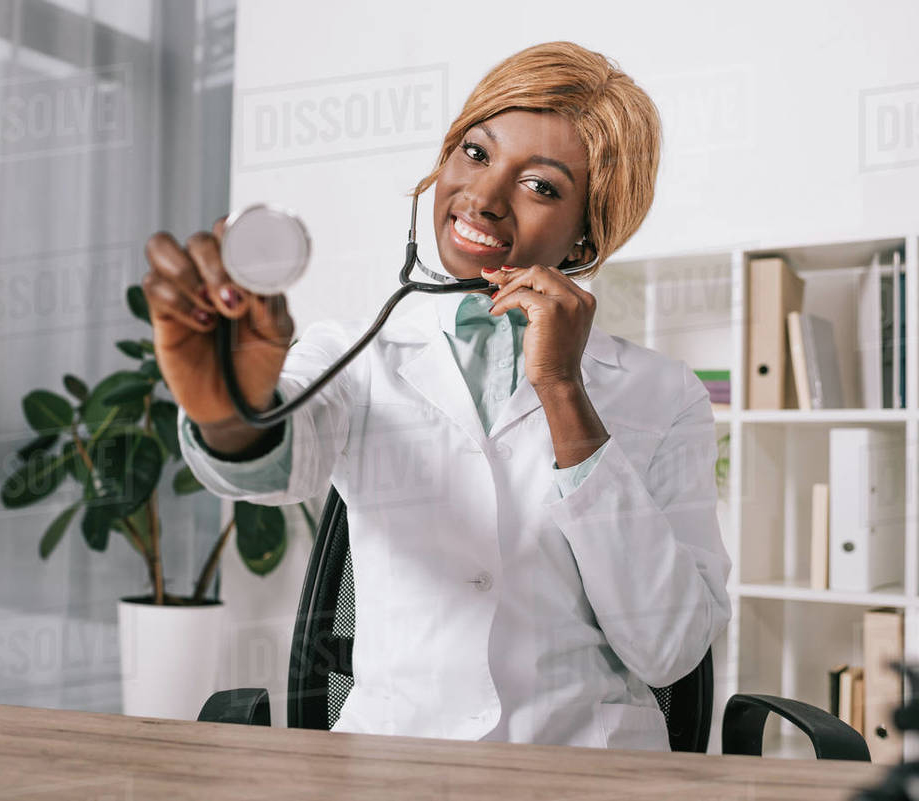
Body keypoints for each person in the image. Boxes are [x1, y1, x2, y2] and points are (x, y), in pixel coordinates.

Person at [141, 40, 731, 750]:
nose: (482, 196)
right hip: (396, 763)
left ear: (587, 235)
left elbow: (670, 650)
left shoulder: (664, 395)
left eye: (541, 186)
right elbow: (271, 462)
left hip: (585, 770)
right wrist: (224, 407)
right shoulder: (356, 354)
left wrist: (564, 392)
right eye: (477, 154)